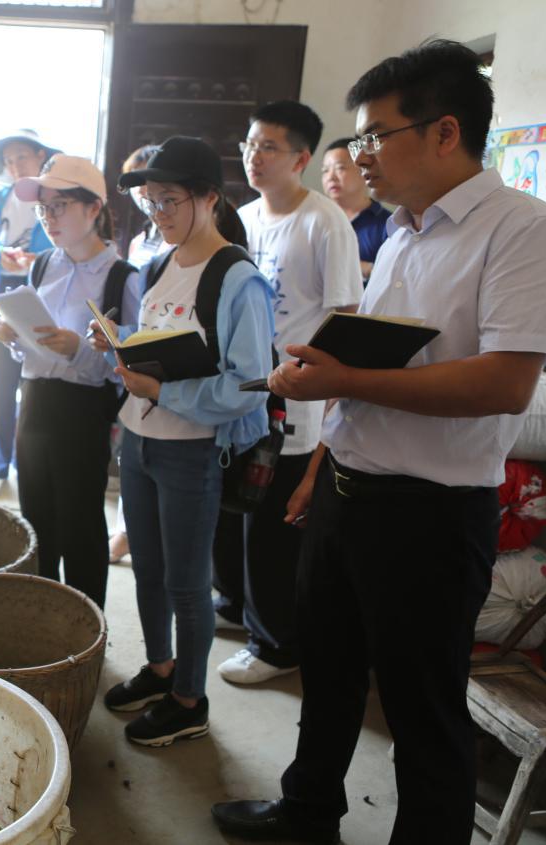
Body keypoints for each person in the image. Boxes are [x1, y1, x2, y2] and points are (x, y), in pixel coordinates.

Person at [212, 40, 546, 844]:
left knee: (421, 710)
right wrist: (321, 465)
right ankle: (308, 812)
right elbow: (370, 364)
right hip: (347, 492)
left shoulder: (522, 230)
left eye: (375, 134)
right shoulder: (404, 233)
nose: (360, 155)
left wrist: (341, 379)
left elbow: (503, 384)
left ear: (444, 131)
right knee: (328, 671)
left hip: (428, 515)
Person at [96, 136, 274, 747]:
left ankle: (189, 701)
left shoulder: (237, 278)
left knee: (188, 584)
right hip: (140, 440)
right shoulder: (159, 264)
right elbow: (162, 343)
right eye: (150, 201)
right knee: (146, 568)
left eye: (169, 200)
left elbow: (249, 384)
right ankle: (160, 668)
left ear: (209, 197)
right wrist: (119, 340)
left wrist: (162, 391)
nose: (158, 213)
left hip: (191, 448)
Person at [211, 100, 363, 686]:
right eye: (249, 144)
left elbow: (345, 318)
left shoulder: (324, 222)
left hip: (294, 401)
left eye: (268, 147)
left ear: (301, 158)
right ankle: (235, 605)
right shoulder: (243, 217)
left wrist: (327, 401)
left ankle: (276, 645)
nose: (254, 156)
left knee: (271, 529)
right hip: (240, 393)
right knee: (232, 511)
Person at [0, 154, 140, 610]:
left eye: (58, 206)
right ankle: (42, 624)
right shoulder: (43, 266)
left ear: (94, 208)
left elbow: (131, 366)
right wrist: (13, 337)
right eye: (43, 208)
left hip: (83, 413)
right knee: (37, 523)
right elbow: (32, 347)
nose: (48, 218)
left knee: (81, 528)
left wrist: (78, 348)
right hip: (34, 404)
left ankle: (84, 626)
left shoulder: (122, 278)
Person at [0, 130, 58, 499]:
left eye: (21, 156)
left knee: (37, 387)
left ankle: (30, 462)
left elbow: (68, 246)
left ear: (40, 156)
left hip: (45, 297)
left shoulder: (55, 198)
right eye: (8, 160)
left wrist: (39, 261)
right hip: (1, 296)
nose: (14, 165)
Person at [109, 143, 171, 565]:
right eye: (135, 186)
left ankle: (138, 534)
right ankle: (126, 531)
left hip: (169, 354)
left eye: (149, 182)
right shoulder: (138, 241)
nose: (143, 194)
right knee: (131, 446)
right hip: (138, 347)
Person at [322, 137, 392, 282]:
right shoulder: (316, 220)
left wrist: (365, 269)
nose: (330, 177)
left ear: (363, 169)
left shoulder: (389, 225)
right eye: (325, 170)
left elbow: (396, 277)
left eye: (340, 168)